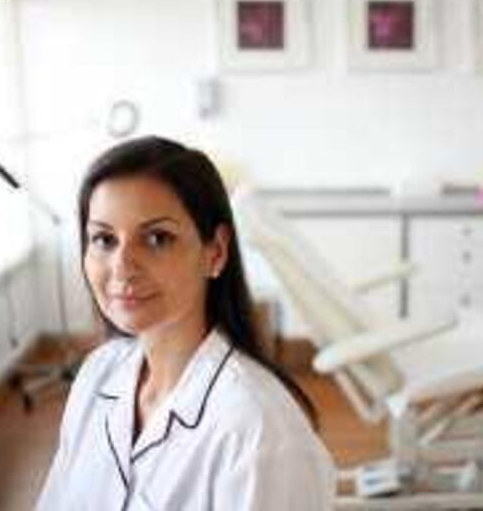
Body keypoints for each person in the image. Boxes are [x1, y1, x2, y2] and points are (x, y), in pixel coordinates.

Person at [36, 136, 336, 510]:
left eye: (157, 238)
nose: (122, 267)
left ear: (215, 252)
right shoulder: (97, 375)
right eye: (104, 239)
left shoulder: (259, 433)